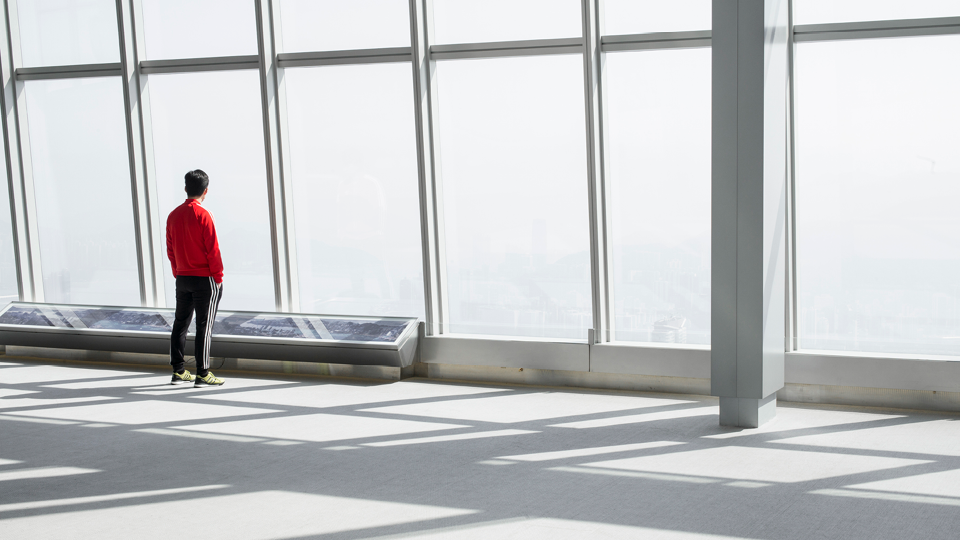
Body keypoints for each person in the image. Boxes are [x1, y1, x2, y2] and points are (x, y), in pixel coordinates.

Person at [166, 169, 225, 387]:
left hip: (182, 278)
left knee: (180, 324)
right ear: (205, 191)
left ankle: (178, 371)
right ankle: (203, 373)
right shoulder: (204, 214)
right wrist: (218, 277)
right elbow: (213, 250)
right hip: (204, 279)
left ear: (185, 188)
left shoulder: (173, 215)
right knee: (204, 325)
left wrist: (178, 272)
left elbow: (170, 249)